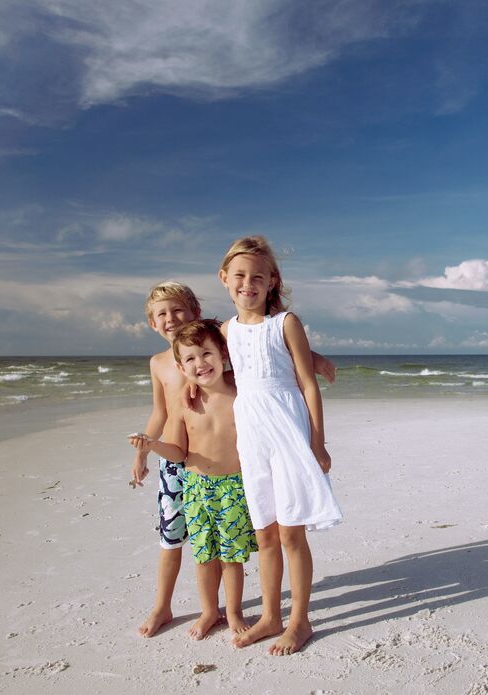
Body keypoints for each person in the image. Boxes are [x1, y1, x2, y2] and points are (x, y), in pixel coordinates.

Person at [129, 281, 336, 638]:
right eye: (161, 314)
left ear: (197, 314)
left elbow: (264, 345)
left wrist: (312, 358)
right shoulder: (160, 363)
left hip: (225, 466)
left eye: (179, 310)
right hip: (177, 458)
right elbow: (160, 412)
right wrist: (143, 450)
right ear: (152, 323)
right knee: (173, 537)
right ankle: (163, 605)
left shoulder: (222, 348)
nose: (171, 319)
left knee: (226, 546)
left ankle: (232, 609)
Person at [218, 235, 343, 655]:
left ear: (272, 281)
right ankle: (270, 616)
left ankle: (300, 621)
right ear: (224, 279)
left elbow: (307, 383)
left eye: (257, 276)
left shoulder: (286, 322)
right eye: (239, 275)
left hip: (289, 434)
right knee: (265, 534)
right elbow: (200, 362)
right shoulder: (225, 331)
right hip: (252, 440)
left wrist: (317, 441)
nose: (247, 283)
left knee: (291, 534)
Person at [130, 319, 258, 638]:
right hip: (197, 488)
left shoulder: (242, 391)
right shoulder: (185, 403)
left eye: (206, 354)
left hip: (234, 487)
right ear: (180, 367)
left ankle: (234, 611)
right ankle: (208, 611)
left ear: (224, 353)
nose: (200, 363)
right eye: (190, 359)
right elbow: (177, 451)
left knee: (231, 558)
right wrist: (152, 445)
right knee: (203, 556)